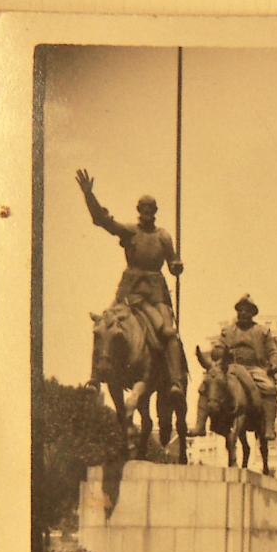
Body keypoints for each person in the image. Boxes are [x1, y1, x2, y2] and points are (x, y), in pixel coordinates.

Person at [75, 168, 185, 403]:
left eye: (151, 209)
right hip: (129, 290)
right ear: (139, 211)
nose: (146, 213)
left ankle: (175, 380)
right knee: (103, 324)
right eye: (143, 209)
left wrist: (176, 266)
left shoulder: (163, 236)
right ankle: (95, 376)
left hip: (155, 293)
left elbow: (172, 260)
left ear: (155, 212)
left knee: (168, 332)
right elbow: (103, 220)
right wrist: (89, 196)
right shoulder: (130, 231)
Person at [208, 294, 277, 440]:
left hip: (254, 368)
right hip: (231, 367)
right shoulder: (228, 331)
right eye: (240, 310)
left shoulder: (262, 331)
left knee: (269, 387)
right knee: (210, 382)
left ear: (252, 313)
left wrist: (273, 364)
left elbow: (273, 350)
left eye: (246, 310)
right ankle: (205, 422)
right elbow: (217, 348)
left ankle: (268, 426)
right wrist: (220, 351)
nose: (243, 313)